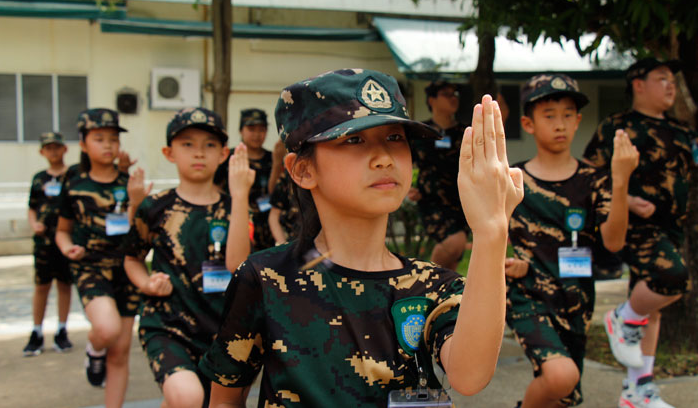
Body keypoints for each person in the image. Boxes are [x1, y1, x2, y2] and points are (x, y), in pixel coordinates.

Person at [198, 68, 524, 407]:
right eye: (354, 139)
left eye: (395, 138)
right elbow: (224, 400)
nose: (384, 158)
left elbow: (470, 376)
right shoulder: (266, 280)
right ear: (303, 170)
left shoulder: (431, 287)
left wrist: (491, 232)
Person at [504, 74, 639, 408]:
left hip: (576, 296)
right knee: (560, 376)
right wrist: (503, 260)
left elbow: (614, 241)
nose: (560, 124)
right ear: (528, 123)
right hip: (527, 294)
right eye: (549, 115)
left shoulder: (595, 180)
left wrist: (620, 181)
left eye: (568, 114)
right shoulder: (512, 179)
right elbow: (488, 231)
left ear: (578, 121)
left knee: (564, 395)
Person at [123, 107, 254, 408]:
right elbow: (131, 258)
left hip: (221, 331)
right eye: (187, 144)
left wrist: (240, 195)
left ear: (224, 154)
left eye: (209, 145)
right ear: (169, 153)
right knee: (188, 397)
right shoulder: (155, 207)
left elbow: (237, 265)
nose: (199, 153)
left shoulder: (237, 207)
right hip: (167, 326)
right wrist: (146, 283)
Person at [583, 58, 695, 408]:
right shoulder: (618, 127)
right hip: (638, 228)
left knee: (653, 310)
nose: (670, 85)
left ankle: (637, 390)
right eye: (661, 78)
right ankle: (621, 317)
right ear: (638, 84)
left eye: (672, 79)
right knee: (673, 277)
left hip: (673, 228)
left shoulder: (682, 130)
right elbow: (590, 173)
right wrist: (627, 199)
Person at [55, 108, 146, 407]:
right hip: (91, 268)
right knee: (106, 329)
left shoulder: (127, 182)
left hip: (127, 269)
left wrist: (136, 202)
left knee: (120, 353)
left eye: (112, 139)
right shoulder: (75, 184)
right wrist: (68, 247)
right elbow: (62, 230)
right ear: (83, 145)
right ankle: (94, 350)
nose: (108, 145)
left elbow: (139, 231)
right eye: (99, 139)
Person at [409, 80, 470, 270]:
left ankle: (443, 295)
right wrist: (409, 188)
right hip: (431, 201)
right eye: (447, 94)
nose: (453, 98)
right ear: (432, 100)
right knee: (455, 241)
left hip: (462, 200)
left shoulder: (466, 132)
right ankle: (427, 283)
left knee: (454, 258)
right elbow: (408, 163)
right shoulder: (421, 132)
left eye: (455, 94)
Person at [23, 132, 74, 356]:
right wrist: (34, 224)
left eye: (57, 147)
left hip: (66, 241)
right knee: (41, 286)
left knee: (64, 285)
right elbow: (32, 206)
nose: (53, 152)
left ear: (65, 149)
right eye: (48, 148)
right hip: (44, 242)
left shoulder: (72, 176)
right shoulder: (39, 178)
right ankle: (36, 331)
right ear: (42, 152)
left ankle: (62, 331)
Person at [215, 108, 281, 251]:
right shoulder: (230, 157)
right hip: (233, 222)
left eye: (262, 130)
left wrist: (277, 164)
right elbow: (215, 187)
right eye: (251, 129)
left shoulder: (272, 158)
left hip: (265, 226)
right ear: (241, 130)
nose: (257, 135)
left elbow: (277, 192)